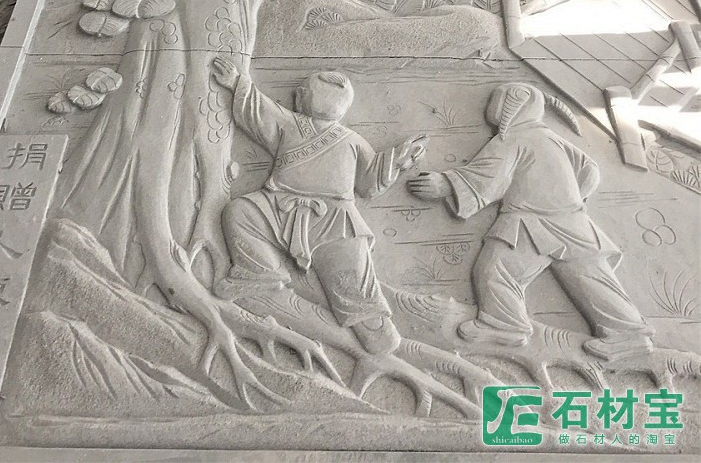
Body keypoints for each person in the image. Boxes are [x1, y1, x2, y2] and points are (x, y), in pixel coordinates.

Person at [408, 82, 653, 364]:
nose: (491, 106)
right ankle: (629, 333)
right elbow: (590, 169)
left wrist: (446, 184)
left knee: (495, 270)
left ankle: (504, 324)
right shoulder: (550, 137)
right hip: (571, 220)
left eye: (496, 100)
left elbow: (490, 178)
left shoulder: (514, 137)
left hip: (529, 222)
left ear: (512, 103)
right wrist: (571, 198)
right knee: (591, 277)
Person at [212, 57, 427, 354]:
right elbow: (258, 110)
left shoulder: (349, 140)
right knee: (240, 213)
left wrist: (397, 161)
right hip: (278, 207)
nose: (297, 95)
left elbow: (368, 182)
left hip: (335, 221)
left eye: (302, 91)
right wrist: (237, 84)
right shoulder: (292, 124)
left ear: (305, 98)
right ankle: (260, 274)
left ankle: (374, 327)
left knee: (353, 281)